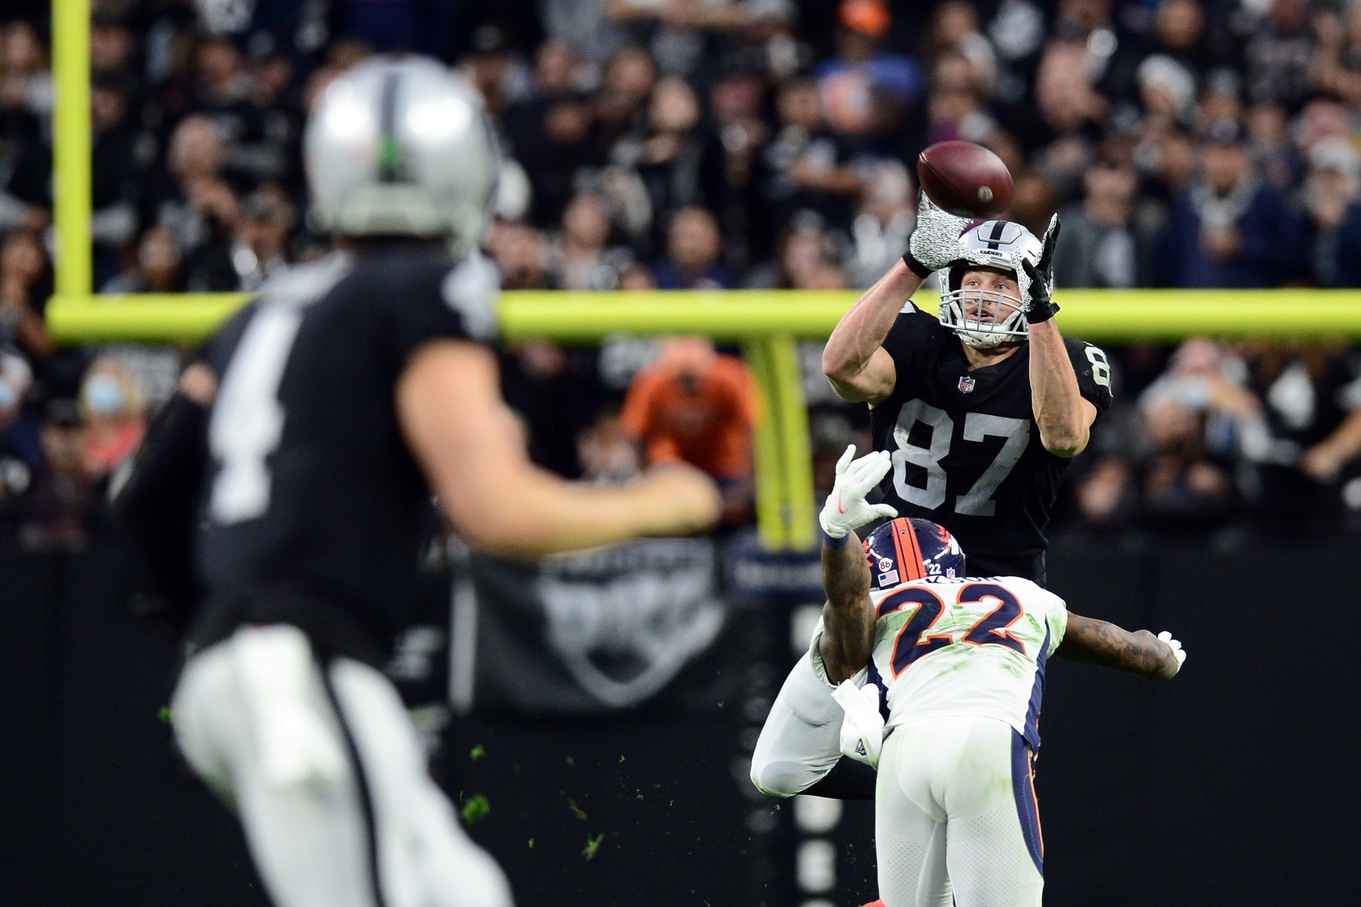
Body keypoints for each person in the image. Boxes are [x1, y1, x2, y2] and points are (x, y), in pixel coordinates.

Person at [112, 57, 722, 907]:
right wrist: (658, 503)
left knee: (460, 891)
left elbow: (143, 501)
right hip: (298, 663)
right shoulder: (433, 286)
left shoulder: (263, 310)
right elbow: (492, 508)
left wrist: (217, 631)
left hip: (262, 666)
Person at [752, 447, 1186, 905]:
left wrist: (838, 537)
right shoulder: (1021, 595)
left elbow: (847, 617)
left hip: (905, 753)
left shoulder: (873, 609)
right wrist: (1162, 656)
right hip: (986, 743)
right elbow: (1126, 650)